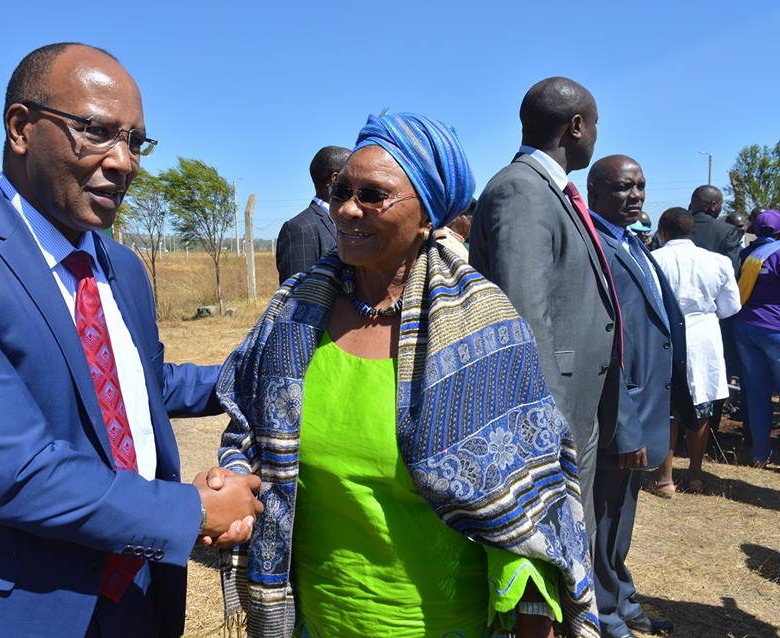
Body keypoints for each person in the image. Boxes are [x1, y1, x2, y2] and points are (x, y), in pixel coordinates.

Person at [0, 43, 263, 637]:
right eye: (95, 131)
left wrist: (267, 373)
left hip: (135, 600)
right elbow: (15, 472)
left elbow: (137, 385)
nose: (124, 161)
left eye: (135, 141)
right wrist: (193, 509)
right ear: (21, 128)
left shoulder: (119, 267)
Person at [216, 113, 599, 638]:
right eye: (341, 191)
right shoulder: (293, 313)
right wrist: (231, 481)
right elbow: (246, 432)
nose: (348, 209)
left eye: (374, 195)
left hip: (439, 622)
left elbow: (521, 502)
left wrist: (533, 614)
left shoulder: (481, 327)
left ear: (427, 215)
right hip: (313, 618)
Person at [469, 77, 621, 538]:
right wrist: (544, 424)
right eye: (595, 125)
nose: (596, 135)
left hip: (576, 402)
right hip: (551, 411)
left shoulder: (552, 190)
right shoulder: (523, 191)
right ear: (576, 127)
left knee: (576, 532)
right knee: (553, 536)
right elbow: (524, 314)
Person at [587, 156, 692, 638]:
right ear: (595, 190)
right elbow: (607, 342)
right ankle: (605, 614)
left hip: (648, 402)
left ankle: (624, 601)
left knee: (623, 517)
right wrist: (625, 419)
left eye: (642, 188)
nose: (636, 197)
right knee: (606, 517)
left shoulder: (633, 242)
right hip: (619, 411)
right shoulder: (598, 245)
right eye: (625, 188)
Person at [649, 207, 741, 496]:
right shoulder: (719, 262)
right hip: (703, 337)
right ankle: (696, 476)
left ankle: (664, 479)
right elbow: (730, 308)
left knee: (666, 408)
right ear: (691, 231)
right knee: (700, 407)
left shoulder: (652, 259)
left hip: (665, 336)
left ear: (662, 232)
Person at [733, 209, 780, 467]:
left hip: (745, 327)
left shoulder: (747, 254)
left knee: (757, 393)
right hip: (775, 328)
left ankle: (759, 453)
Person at [275, 145, 351, 283]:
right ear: (335, 179)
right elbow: (296, 297)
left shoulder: (351, 223)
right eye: (353, 174)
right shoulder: (299, 229)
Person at [687, 185, 743, 274]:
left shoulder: (672, 228)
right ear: (713, 205)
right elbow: (732, 269)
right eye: (720, 204)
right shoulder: (727, 231)